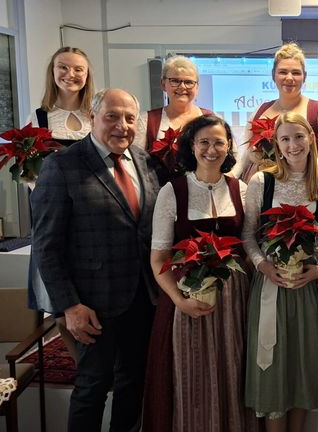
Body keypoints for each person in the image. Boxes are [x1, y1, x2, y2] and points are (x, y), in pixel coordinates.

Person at [31, 88, 160, 432]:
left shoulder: (145, 161)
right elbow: (46, 245)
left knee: (134, 383)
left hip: (142, 298)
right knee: (93, 387)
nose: (122, 126)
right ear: (93, 118)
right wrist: (69, 306)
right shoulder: (62, 165)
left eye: (130, 118)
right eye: (112, 117)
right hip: (92, 305)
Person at [142, 115, 258, 431]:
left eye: (219, 141)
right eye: (204, 141)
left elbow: (249, 245)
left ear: (229, 146)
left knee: (232, 371)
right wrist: (179, 300)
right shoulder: (173, 191)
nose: (211, 149)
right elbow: (158, 259)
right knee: (191, 374)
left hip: (235, 302)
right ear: (192, 146)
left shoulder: (241, 189)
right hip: (187, 300)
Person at [242, 112, 318, 432]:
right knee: (274, 369)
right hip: (271, 287)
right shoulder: (262, 181)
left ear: (310, 137)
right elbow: (248, 234)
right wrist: (264, 265)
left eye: (298, 137)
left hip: (306, 289)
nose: (293, 145)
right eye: (285, 139)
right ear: (277, 145)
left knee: (301, 369)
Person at [27, 46, 95, 361]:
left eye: (78, 69)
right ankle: (77, 363)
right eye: (63, 67)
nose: (70, 75)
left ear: (87, 74)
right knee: (59, 303)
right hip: (55, 217)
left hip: (89, 217)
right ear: (52, 72)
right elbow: (27, 172)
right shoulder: (39, 117)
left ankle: (92, 361)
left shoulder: (94, 116)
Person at [231, 43, 318, 181]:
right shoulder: (260, 110)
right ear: (273, 75)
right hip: (261, 189)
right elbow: (247, 154)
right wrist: (232, 176)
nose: (290, 78)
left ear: (305, 76)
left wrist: (296, 170)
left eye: (296, 73)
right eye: (283, 72)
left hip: (305, 191)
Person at [134, 55, 214, 184]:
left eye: (188, 82)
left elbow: (231, 157)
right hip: (159, 196)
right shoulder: (146, 121)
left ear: (197, 87)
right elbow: (136, 164)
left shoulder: (212, 119)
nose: (182, 87)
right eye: (175, 81)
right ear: (163, 84)